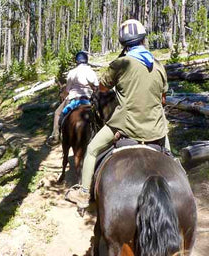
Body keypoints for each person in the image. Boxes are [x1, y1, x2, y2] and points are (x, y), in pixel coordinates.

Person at [65, 19, 170, 209]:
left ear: (123, 43)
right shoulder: (159, 66)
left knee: (92, 150)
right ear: (143, 40)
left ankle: (83, 192)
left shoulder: (120, 64)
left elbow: (103, 89)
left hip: (125, 125)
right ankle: (180, 169)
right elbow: (163, 101)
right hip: (156, 127)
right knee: (170, 155)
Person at [47, 51, 99, 146]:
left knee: (57, 113)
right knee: (99, 115)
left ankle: (56, 136)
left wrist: (63, 95)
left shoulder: (72, 72)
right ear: (86, 60)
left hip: (74, 99)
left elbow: (67, 89)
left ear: (77, 61)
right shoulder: (91, 72)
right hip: (88, 99)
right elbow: (96, 87)